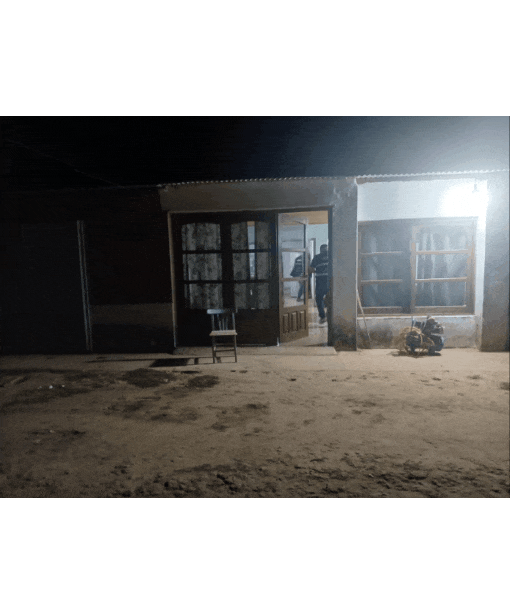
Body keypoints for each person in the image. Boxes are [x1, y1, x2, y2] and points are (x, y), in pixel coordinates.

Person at [309, 244, 329, 324]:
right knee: (331, 298)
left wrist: (316, 271)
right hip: (330, 281)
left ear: (320, 250)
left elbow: (310, 269)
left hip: (320, 281)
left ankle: (323, 317)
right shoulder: (331, 256)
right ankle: (329, 314)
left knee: (319, 299)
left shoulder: (317, 257)